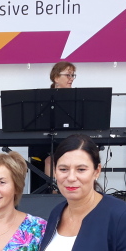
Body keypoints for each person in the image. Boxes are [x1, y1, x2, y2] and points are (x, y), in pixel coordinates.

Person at [29, 61, 78, 191]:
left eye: (73, 75)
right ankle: (53, 194)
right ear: (56, 78)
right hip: (46, 141)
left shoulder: (78, 98)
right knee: (50, 160)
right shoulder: (43, 98)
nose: (71, 79)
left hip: (69, 140)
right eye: (68, 75)